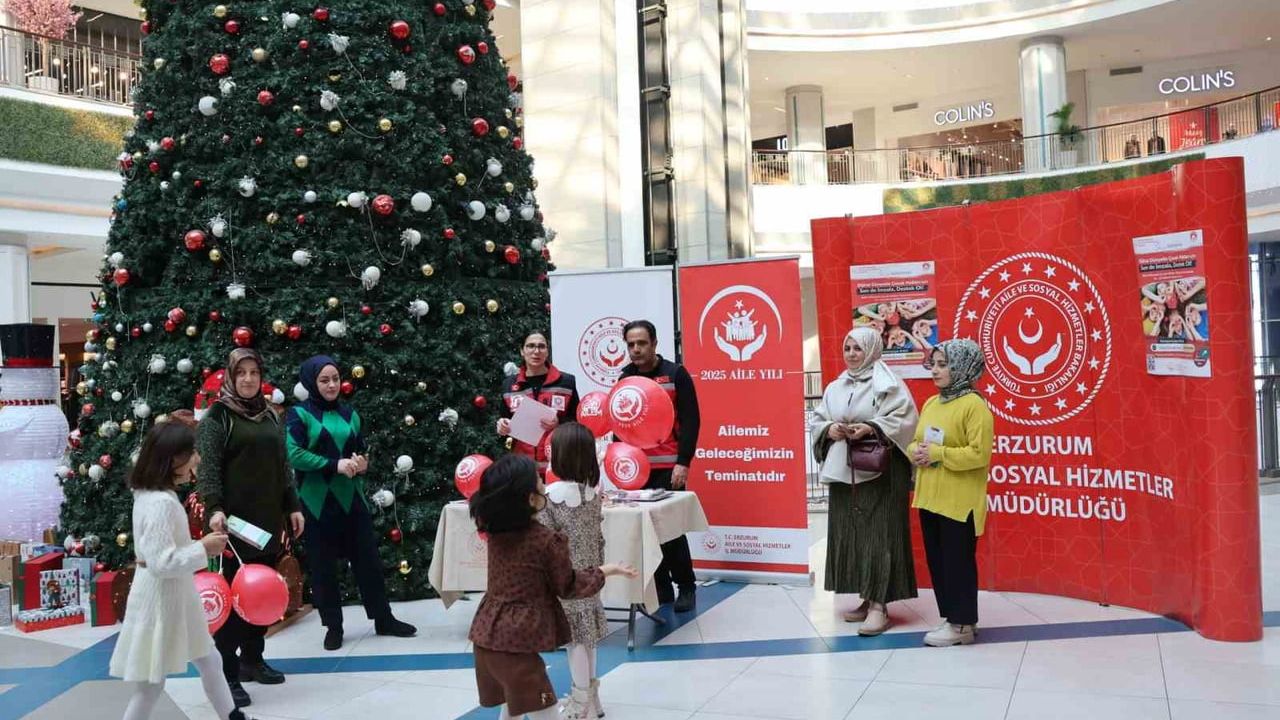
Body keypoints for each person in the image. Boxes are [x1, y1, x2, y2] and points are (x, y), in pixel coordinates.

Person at [468, 454, 637, 719]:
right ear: (529, 499)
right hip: (515, 646)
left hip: (486, 637)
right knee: (544, 711)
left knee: (511, 707)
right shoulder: (546, 541)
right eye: (538, 480)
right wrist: (606, 570)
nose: (543, 484)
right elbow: (568, 586)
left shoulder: (495, 532)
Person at [108, 420, 255, 720]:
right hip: (161, 600)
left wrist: (203, 542)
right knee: (151, 684)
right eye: (192, 453)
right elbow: (162, 562)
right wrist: (205, 548)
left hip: (176, 595)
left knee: (210, 659)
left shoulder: (148, 495)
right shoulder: (162, 502)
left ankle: (233, 717)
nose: (197, 460)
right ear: (174, 458)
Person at [285, 356, 417, 652]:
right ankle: (333, 626)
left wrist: (361, 462)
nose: (332, 385)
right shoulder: (299, 415)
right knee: (323, 568)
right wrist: (335, 465)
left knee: (368, 561)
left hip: (351, 499)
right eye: (324, 380)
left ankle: (383, 619)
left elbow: (360, 450)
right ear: (311, 383)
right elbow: (294, 454)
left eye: (335, 379)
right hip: (317, 503)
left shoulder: (350, 413)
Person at [196, 349, 304, 707]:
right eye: (241, 373)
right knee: (232, 601)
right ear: (230, 376)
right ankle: (227, 675)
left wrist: (293, 507)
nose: (247, 379)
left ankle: (252, 661)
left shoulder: (270, 416)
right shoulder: (217, 418)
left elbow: (283, 466)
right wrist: (214, 509)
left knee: (262, 597)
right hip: (232, 527)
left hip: (268, 522)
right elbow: (208, 469)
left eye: (254, 372)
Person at [809, 327, 920, 635]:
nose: (852, 354)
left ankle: (879, 606)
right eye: (848, 348)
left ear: (871, 350)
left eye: (858, 348)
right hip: (846, 473)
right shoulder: (836, 386)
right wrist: (830, 429)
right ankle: (866, 595)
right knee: (854, 534)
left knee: (880, 536)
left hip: (881, 474)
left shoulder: (889, 385)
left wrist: (870, 427)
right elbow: (818, 420)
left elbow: (906, 420)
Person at [908, 339, 995, 647]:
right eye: (934, 363)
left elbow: (978, 454)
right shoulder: (933, 403)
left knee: (958, 563)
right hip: (930, 497)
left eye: (944, 364)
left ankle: (961, 625)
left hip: (959, 503)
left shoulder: (974, 406)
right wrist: (915, 452)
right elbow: (917, 440)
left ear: (963, 367)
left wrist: (938, 454)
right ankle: (954, 620)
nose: (935, 370)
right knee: (940, 563)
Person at [620, 319, 701, 611]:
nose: (636, 349)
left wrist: (683, 462)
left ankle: (687, 587)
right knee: (644, 530)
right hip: (636, 470)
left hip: (670, 467)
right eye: (631, 344)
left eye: (642, 343)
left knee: (670, 531)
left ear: (654, 343)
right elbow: (620, 422)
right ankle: (662, 587)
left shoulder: (675, 374)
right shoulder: (624, 378)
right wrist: (620, 464)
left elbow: (692, 420)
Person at [536, 423, 609, 718]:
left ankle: (580, 704)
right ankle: (593, 701)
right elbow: (598, 538)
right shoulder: (592, 494)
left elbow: (543, 543)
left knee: (574, 641)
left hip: (565, 583)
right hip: (590, 578)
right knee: (587, 639)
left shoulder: (550, 495)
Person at [497, 331, 580, 476]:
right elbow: (505, 420)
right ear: (522, 351)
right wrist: (502, 426)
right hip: (523, 470)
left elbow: (577, 421)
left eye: (542, 347)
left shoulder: (566, 382)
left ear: (547, 351)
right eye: (530, 346)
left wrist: (559, 423)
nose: (536, 351)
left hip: (559, 467)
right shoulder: (509, 385)